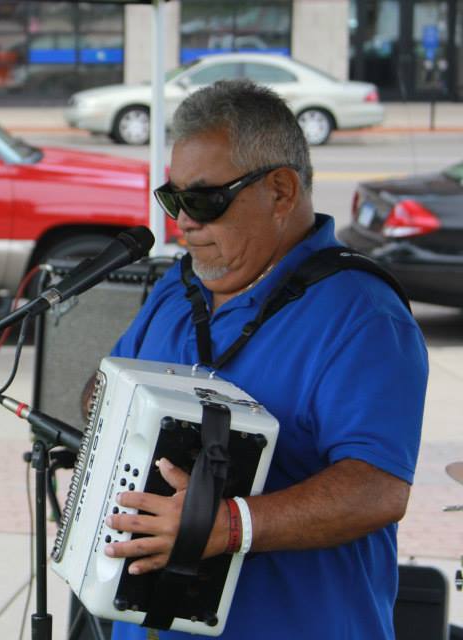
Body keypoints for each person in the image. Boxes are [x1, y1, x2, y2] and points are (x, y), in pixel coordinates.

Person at [104, 80, 427, 639]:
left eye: (203, 200)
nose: (184, 222)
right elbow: (105, 393)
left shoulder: (364, 314)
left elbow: (377, 489)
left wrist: (227, 524)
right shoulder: (175, 289)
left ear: (280, 191)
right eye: (173, 199)